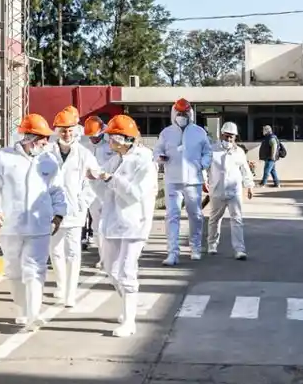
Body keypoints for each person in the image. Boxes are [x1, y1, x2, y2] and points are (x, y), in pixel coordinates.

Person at [0, 113, 66, 330]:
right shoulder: (2, 158)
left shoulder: (49, 160)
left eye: (47, 138)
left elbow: (57, 190)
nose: (46, 142)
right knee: (14, 270)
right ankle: (22, 309)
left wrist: (58, 214)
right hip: (11, 225)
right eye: (41, 138)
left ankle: (34, 313)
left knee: (35, 269)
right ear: (28, 137)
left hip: (39, 226)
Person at [87, 115, 158, 337]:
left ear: (124, 138)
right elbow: (102, 191)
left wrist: (110, 179)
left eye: (111, 136)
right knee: (110, 269)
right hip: (112, 222)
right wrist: (94, 179)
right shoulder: (117, 158)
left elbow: (135, 194)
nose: (108, 140)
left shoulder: (144, 162)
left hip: (134, 224)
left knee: (127, 271)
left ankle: (129, 321)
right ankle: (130, 304)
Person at [42, 106, 96, 308]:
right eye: (63, 130)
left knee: (73, 253)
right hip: (52, 212)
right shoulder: (46, 152)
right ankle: (61, 285)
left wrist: (82, 203)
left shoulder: (84, 153)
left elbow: (93, 181)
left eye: (70, 130)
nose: (66, 133)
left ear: (76, 130)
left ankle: (71, 293)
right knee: (55, 251)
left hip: (75, 212)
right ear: (57, 131)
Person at [153, 98, 213, 265]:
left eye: (185, 113)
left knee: (196, 216)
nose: (182, 116)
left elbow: (208, 152)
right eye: (179, 113)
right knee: (172, 216)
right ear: (174, 113)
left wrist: (203, 164)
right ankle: (172, 253)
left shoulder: (199, 132)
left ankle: (195, 248)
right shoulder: (166, 133)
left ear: (190, 113)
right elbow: (157, 150)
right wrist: (160, 157)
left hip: (193, 181)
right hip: (173, 180)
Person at [204, 121, 255, 261]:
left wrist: (249, 185)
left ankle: (239, 249)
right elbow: (204, 167)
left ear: (235, 137)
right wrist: (204, 181)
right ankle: (212, 244)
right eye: (226, 136)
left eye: (231, 137)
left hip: (234, 192)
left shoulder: (239, 152)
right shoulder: (212, 150)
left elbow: (245, 170)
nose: (229, 139)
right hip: (217, 190)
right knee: (214, 219)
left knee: (237, 220)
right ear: (222, 134)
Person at [80, 115, 111, 253]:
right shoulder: (83, 146)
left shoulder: (110, 144)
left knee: (106, 222)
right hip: (89, 189)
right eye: (91, 136)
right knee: (96, 223)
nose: (93, 139)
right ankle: (102, 253)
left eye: (96, 136)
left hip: (106, 189)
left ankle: (107, 253)